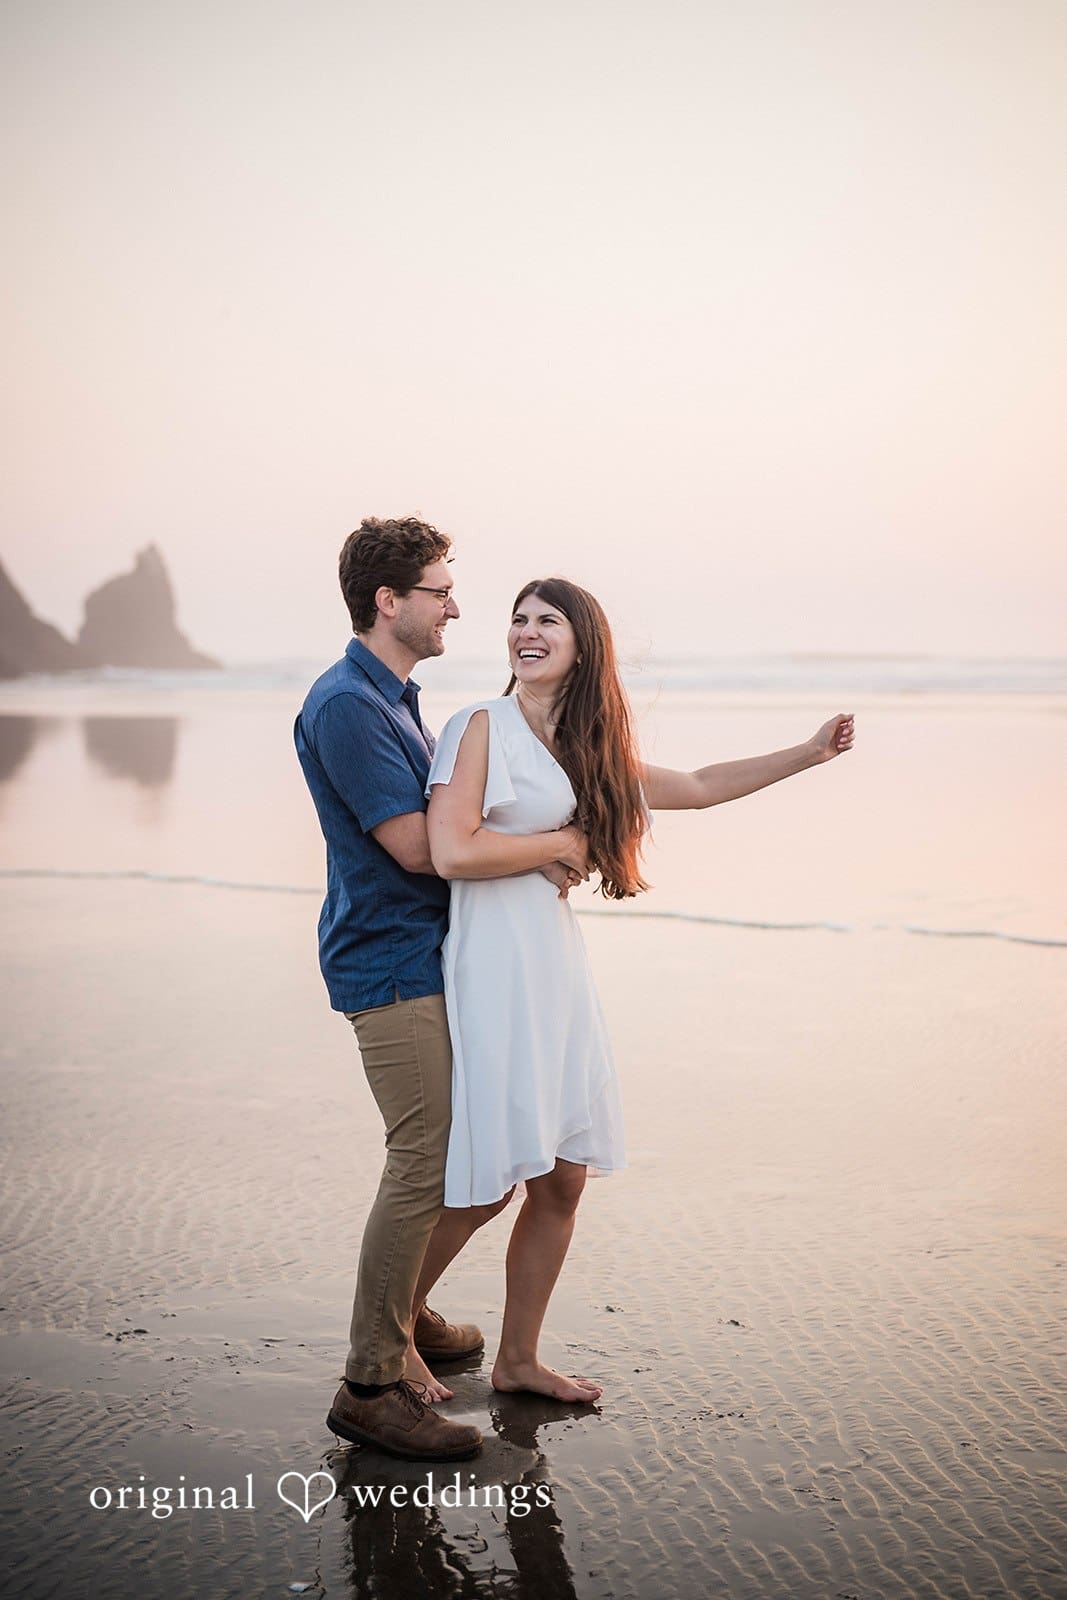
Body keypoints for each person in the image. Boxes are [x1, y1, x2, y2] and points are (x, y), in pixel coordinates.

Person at [407, 576, 855, 1404]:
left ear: (583, 644)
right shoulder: (479, 726)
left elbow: (695, 784)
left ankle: (517, 1360)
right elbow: (453, 853)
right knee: (490, 1181)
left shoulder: (586, 747)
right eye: (518, 620)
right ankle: (388, 1334)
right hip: (494, 967)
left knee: (564, 1176)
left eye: (547, 621)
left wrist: (805, 752)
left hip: (554, 966)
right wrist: (566, 836)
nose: (526, 632)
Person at [294, 520, 591, 1460]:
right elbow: (428, 847)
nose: (456, 605)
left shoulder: (400, 701)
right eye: (440, 589)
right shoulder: (348, 704)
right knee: (425, 1159)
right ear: (390, 602)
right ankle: (371, 1384)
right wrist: (551, 845)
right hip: (388, 962)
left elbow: (459, 829)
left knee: (466, 1155)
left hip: (432, 954)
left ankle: (410, 1320)